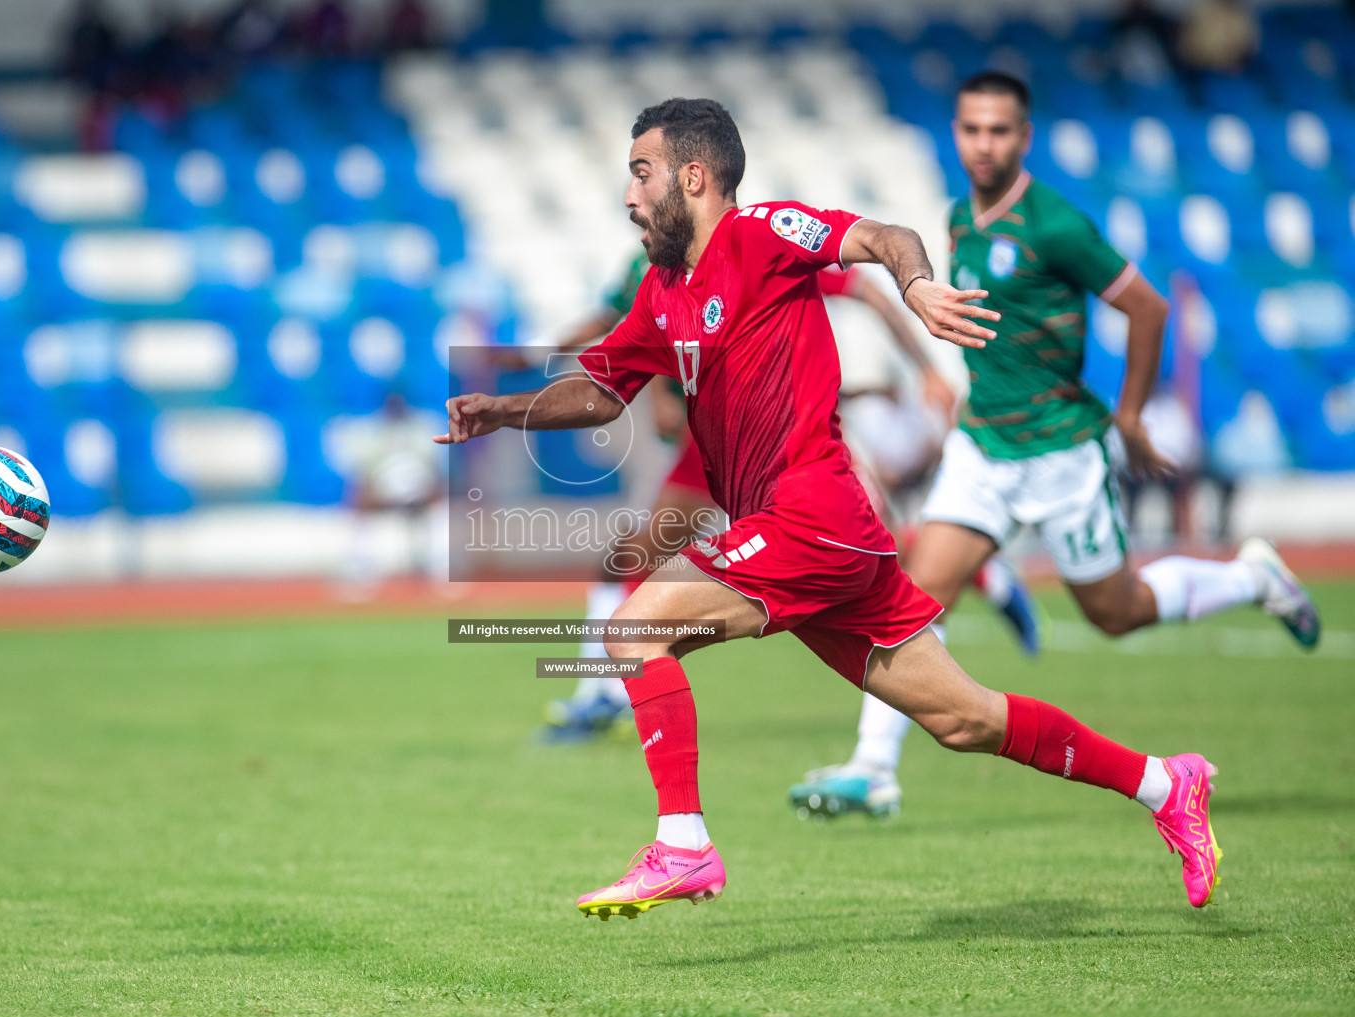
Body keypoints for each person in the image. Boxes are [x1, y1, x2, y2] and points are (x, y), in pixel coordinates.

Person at [436, 97, 1226, 916]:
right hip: (820, 541)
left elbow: (885, 239)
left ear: (694, 176)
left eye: (642, 173)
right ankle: (1167, 783)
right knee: (964, 721)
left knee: (635, 627)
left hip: (810, 518)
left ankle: (683, 845)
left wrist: (916, 287)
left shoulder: (765, 233)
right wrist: (506, 409)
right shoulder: (664, 292)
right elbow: (600, 390)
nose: (630, 195)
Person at [787, 72, 1319, 824]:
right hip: (982, 448)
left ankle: (1252, 578)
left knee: (1116, 610)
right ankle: (874, 768)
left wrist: (1130, 417)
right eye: (971, 129)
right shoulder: (957, 220)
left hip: (1062, 453)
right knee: (907, 600)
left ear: (1024, 137)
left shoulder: (1055, 224)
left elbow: (1147, 306)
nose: (983, 144)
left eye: (999, 130)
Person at [537, 253, 1035, 742]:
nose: (637, 201)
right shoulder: (648, 267)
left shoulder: (757, 256)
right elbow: (621, 328)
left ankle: (984, 573)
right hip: (711, 444)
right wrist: (546, 354)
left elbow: (866, 291)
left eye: (645, 175)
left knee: (872, 558)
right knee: (630, 557)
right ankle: (601, 695)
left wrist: (925, 369)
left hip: (786, 446)